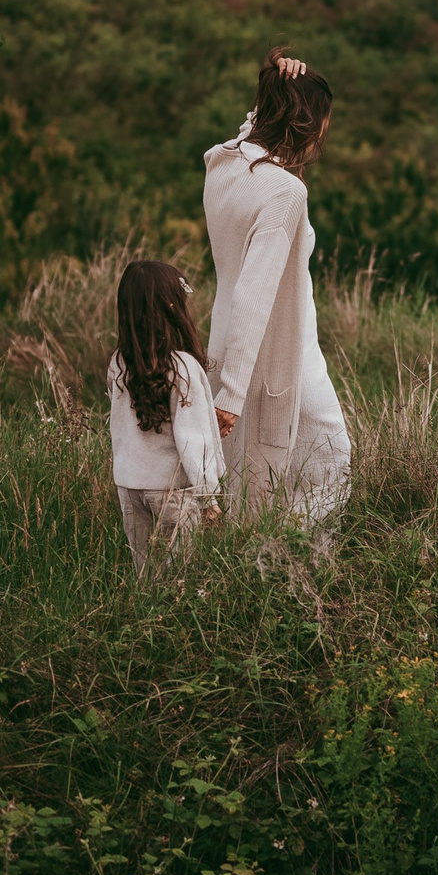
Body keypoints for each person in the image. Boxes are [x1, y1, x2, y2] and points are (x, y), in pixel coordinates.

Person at [204, 47, 351, 544]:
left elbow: (250, 135)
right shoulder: (286, 194)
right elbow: (255, 293)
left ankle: (264, 552)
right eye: (322, 125)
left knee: (248, 471)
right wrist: (231, 395)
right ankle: (283, 553)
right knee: (331, 457)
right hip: (282, 351)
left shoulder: (222, 164)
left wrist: (275, 82)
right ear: (306, 125)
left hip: (222, 340)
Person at [105, 258, 225, 570]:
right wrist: (209, 498)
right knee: (182, 575)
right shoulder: (182, 367)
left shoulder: (118, 364)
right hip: (174, 491)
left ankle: (141, 618)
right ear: (172, 310)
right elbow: (193, 439)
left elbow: (118, 428)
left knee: (144, 571)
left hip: (129, 486)